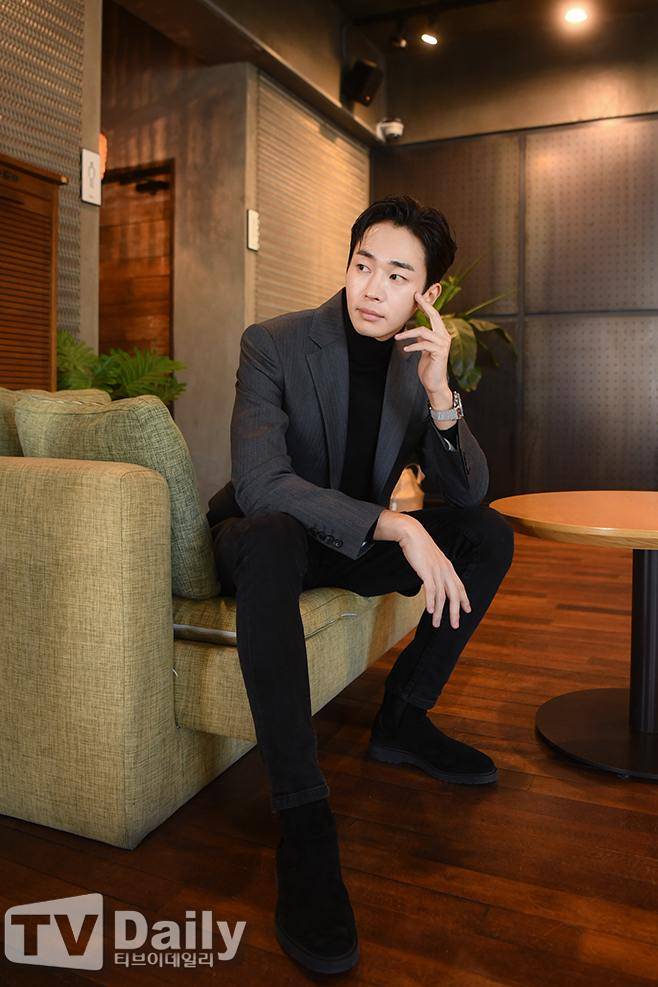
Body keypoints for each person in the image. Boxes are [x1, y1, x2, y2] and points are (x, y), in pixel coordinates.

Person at [207, 194, 515, 975]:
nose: (372, 288)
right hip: (267, 541)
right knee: (274, 533)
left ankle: (403, 719)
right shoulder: (274, 343)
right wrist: (399, 526)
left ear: (428, 294)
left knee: (486, 534)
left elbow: (470, 492)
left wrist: (441, 394)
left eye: (397, 275)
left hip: (346, 544)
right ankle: (304, 817)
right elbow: (262, 484)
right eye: (362, 265)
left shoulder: (417, 366)